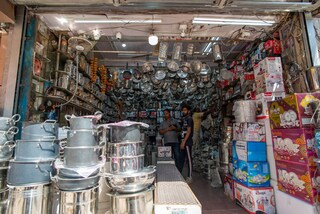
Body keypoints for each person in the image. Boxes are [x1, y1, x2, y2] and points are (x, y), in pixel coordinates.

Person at [180, 104, 194, 184]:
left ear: (188, 111)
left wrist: (184, 142)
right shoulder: (184, 119)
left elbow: (188, 131)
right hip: (184, 141)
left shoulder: (189, 119)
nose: (183, 111)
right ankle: (180, 174)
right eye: (183, 110)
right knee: (182, 159)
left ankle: (189, 177)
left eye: (185, 110)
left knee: (189, 160)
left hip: (187, 142)